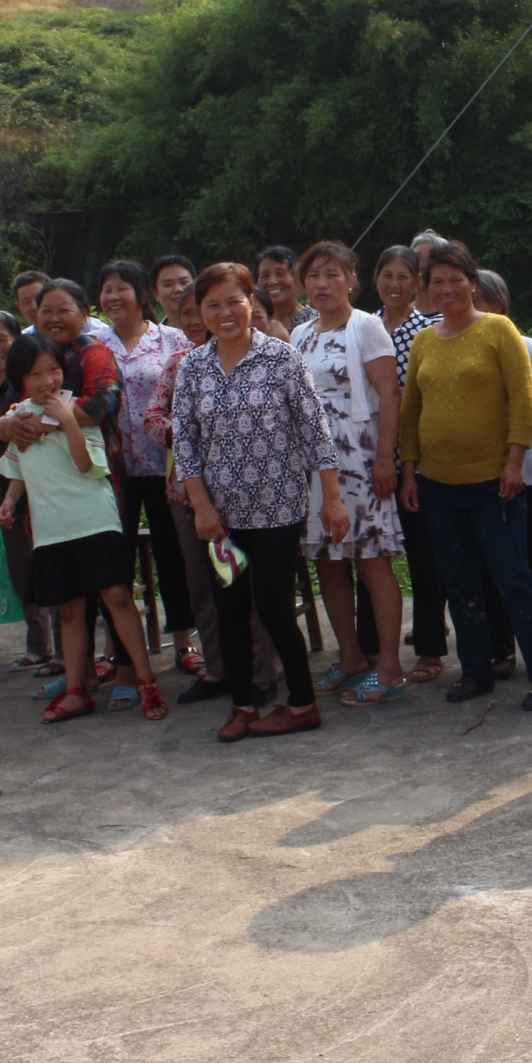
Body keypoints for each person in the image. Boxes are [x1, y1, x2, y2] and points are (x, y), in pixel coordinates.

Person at [173, 261, 345, 741]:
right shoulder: (193, 366)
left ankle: (303, 703)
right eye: (212, 305)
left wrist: (331, 499)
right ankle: (242, 704)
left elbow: (315, 431)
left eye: (234, 301)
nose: (225, 313)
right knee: (229, 608)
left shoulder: (281, 358)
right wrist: (202, 508)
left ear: (252, 302)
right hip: (220, 520)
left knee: (271, 607)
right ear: (199, 312)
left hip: (277, 510)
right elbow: (184, 443)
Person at [398, 241, 532, 710]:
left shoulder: (499, 330)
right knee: (458, 580)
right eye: (437, 282)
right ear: (426, 290)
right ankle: (475, 670)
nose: (447, 288)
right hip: (436, 484)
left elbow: (524, 400)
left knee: (513, 576)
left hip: (494, 483)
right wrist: (409, 472)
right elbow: (411, 410)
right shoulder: (424, 341)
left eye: (456, 279)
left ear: (473, 284)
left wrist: (514, 463)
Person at [0, 332, 167, 723]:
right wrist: (9, 502)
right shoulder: (18, 416)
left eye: (53, 369)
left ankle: (146, 681)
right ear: (19, 379)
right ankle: (76, 691)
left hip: (94, 518)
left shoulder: (79, 409)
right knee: (71, 610)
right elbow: (17, 467)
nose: (47, 380)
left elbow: (87, 464)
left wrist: (66, 421)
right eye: (35, 373)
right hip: (52, 528)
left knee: (116, 596)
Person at [143, 290, 287, 705]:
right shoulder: (181, 365)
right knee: (205, 585)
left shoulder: (255, 358)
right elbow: (153, 419)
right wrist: (188, 433)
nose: (195, 319)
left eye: (202, 310)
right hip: (187, 496)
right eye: (188, 312)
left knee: (246, 581)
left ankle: (260, 672)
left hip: (245, 492)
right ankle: (218, 668)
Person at [0, 279, 124, 694]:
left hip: (95, 481)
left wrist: (35, 424)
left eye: (63, 309)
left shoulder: (95, 352)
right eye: (44, 309)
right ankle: (77, 675)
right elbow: (9, 411)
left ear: (84, 313)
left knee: (111, 587)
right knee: (70, 592)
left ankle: (125, 673)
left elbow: (102, 404)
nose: (52, 317)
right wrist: (6, 425)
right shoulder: (35, 356)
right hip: (51, 495)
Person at [291, 242, 408, 705]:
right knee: (327, 559)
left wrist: (385, 457)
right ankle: (351, 658)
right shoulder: (299, 336)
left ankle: (390, 666)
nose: (322, 283)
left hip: (360, 458)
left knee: (371, 559)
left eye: (332, 274)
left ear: (351, 279)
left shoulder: (368, 327)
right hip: (315, 466)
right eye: (314, 275)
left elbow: (390, 395)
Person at [97, 259, 199, 674]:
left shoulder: (172, 339)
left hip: (165, 467)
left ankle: (184, 643)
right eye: (105, 289)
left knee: (173, 554)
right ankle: (117, 651)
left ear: (142, 295)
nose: (112, 296)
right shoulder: (94, 344)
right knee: (114, 559)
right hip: (112, 471)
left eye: (121, 287)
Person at [472, 269, 532, 698]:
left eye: (479, 302)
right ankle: (499, 649)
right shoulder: (456, 347)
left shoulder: (526, 348)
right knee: (491, 568)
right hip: (482, 478)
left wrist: (531, 452)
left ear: (498, 307)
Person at [375, 244, 447, 681]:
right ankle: (371, 650)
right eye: (387, 275)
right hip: (369, 460)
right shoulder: (362, 327)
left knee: (425, 558)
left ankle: (430, 651)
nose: (394, 284)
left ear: (417, 282)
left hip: (418, 461)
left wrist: (407, 463)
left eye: (404, 276)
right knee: (372, 556)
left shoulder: (431, 330)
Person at [0, 310, 55, 670]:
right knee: (21, 570)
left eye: (1, 340)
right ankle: (39, 642)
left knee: (46, 566)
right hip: (2, 490)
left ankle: (53, 646)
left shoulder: (22, 389)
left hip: (33, 489)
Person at [256, 245, 315, 338]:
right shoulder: (255, 326)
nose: (272, 282)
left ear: (296, 277)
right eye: (265, 276)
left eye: (280, 273)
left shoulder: (315, 322)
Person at [150, 254, 198, 321]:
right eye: (168, 284)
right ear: (155, 294)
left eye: (184, 282)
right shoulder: (152, 331)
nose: (178, 289)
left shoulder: (215, 328)